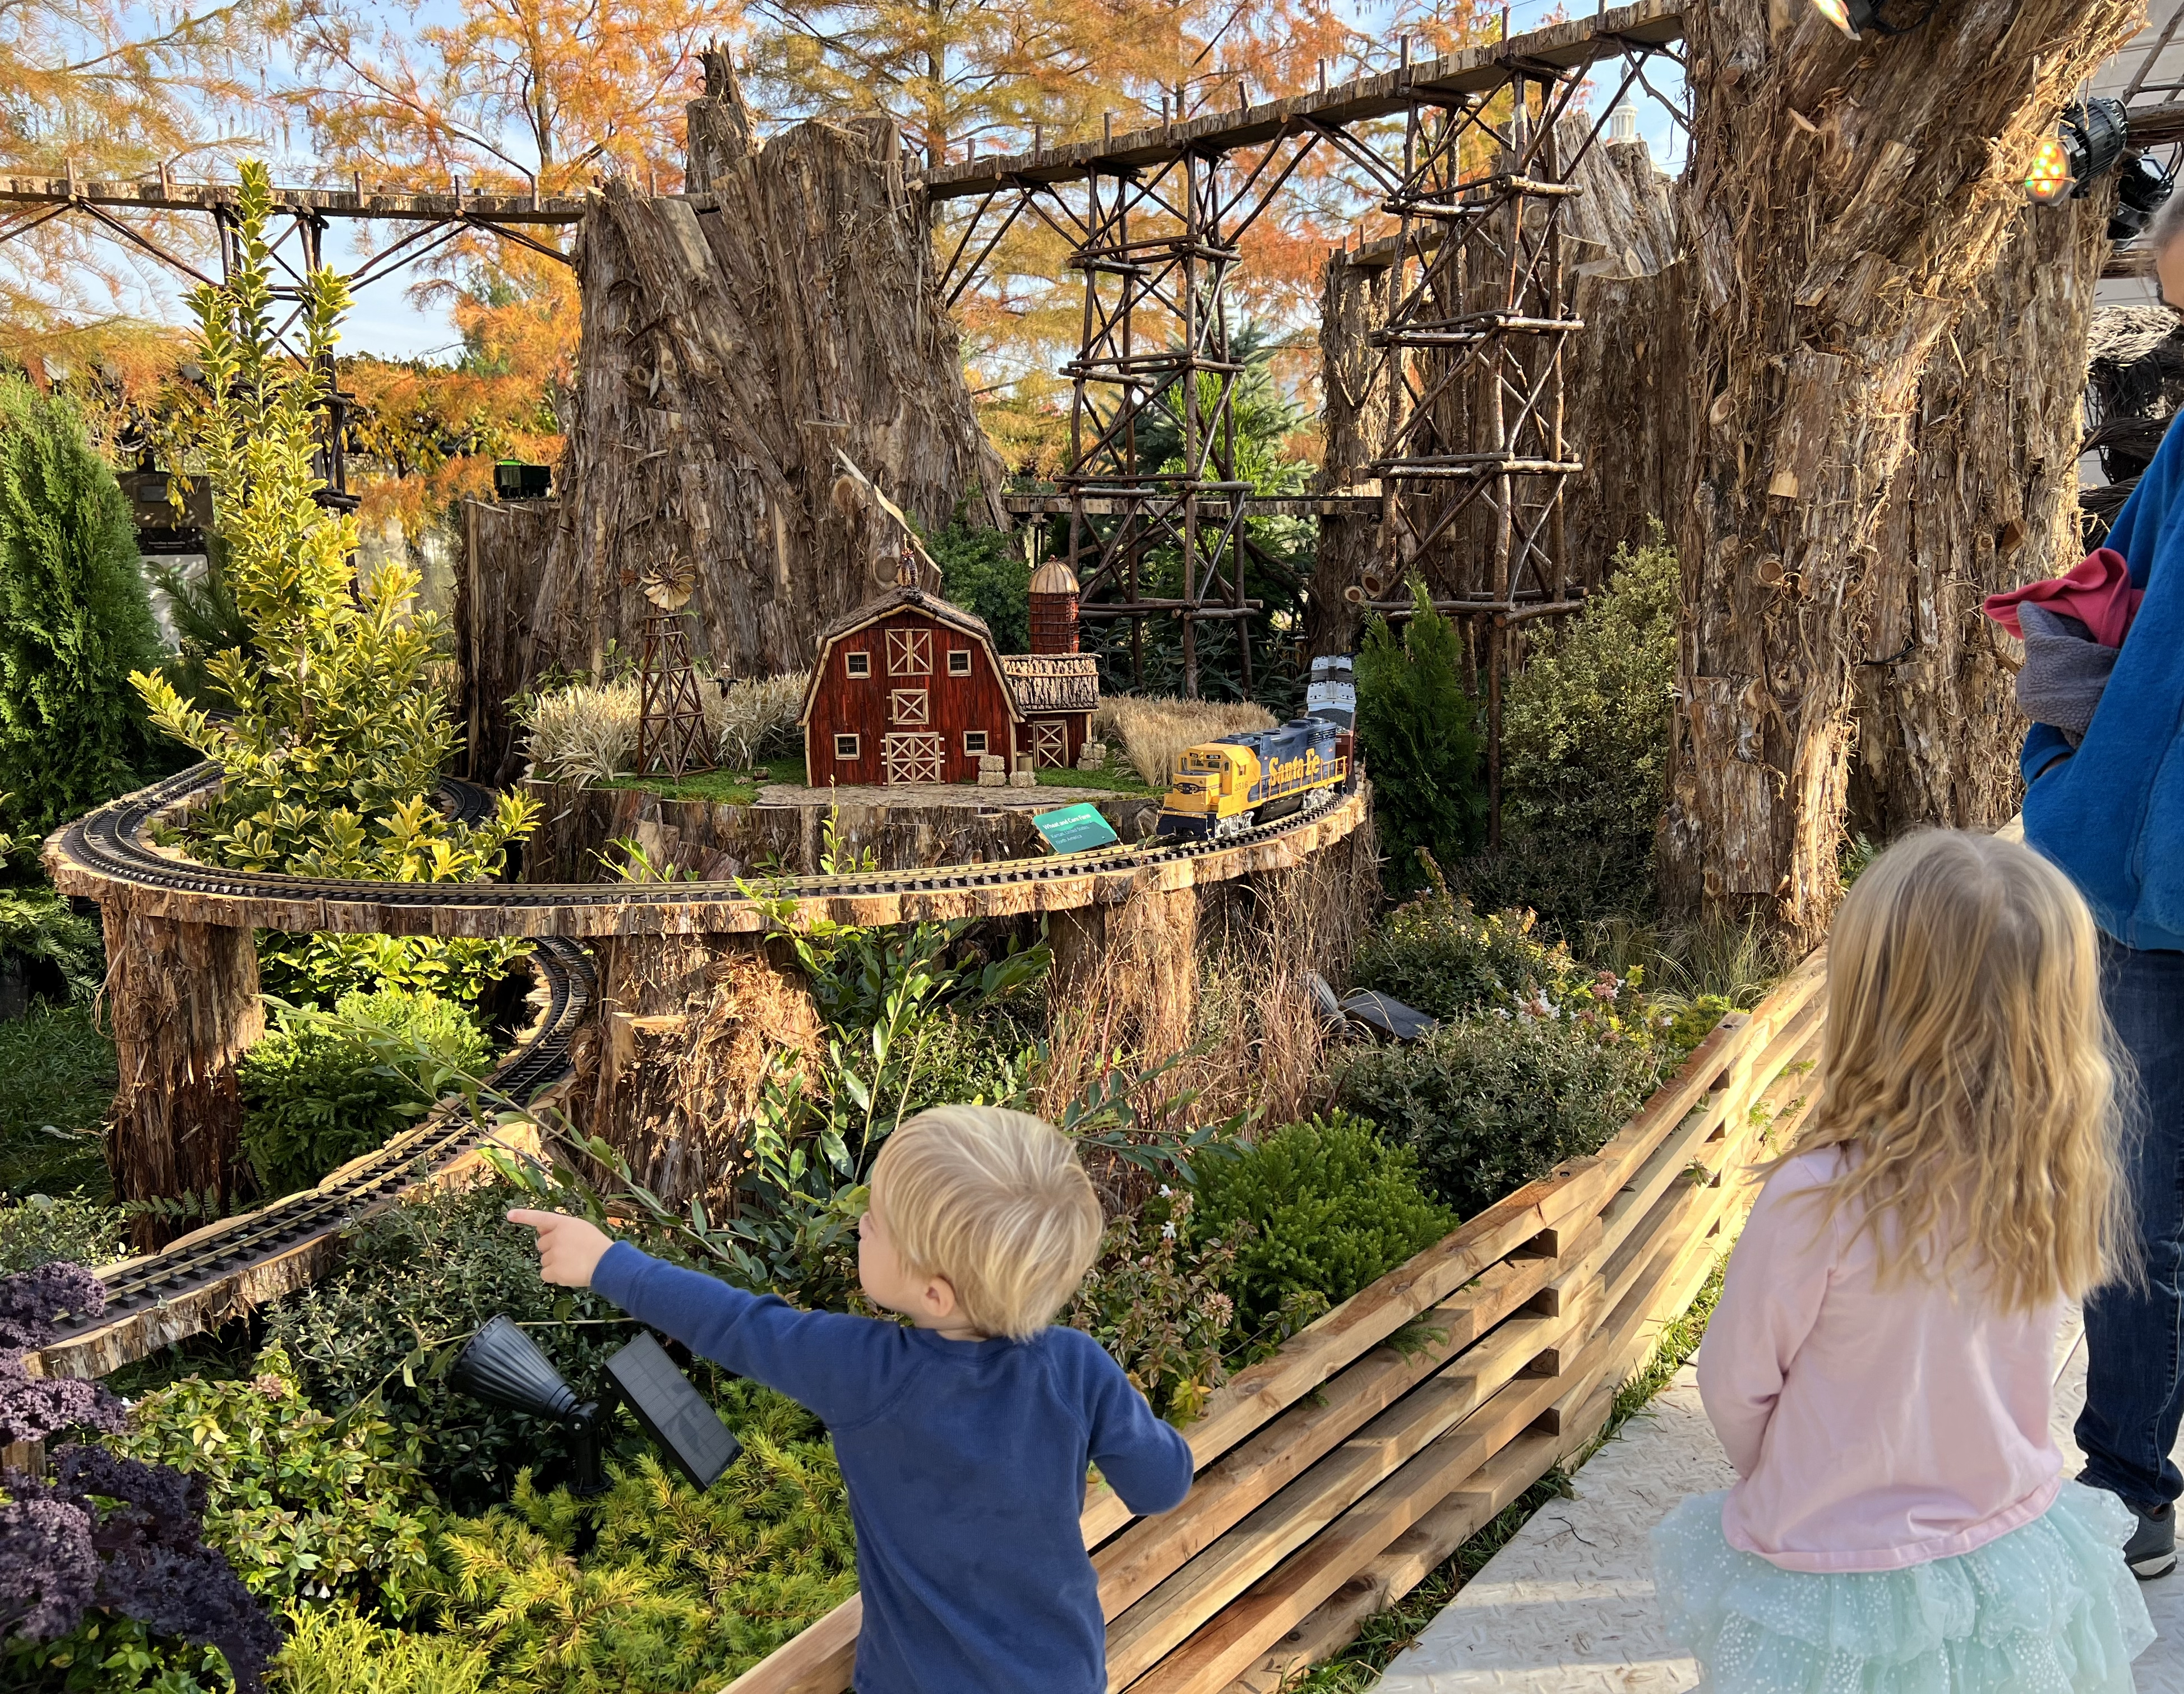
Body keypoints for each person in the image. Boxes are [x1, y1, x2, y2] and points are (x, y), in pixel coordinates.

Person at [1650, 831, 2154, 1693]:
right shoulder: (2051, 1175)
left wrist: (1785, 1470)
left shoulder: (1816, 1195)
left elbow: (1734, 1383)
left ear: (1871, 1000)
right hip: (2004, 1542)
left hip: (1827, 1565)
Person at [510, 1104, 1193, 1694]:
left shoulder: (862, 1370)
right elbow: (1160, 1487)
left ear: (936, 1293)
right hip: (1062, 1675)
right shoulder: (1075, 1367)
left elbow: (732, 1323)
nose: (863, 1221)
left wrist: (606, 1261)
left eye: (880, 1221)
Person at [2019, 182, 2184, 1581]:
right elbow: (2102, 596)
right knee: (2128, 1195)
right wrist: (2057, 768)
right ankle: (2125, 1471)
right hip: (2137, 889)